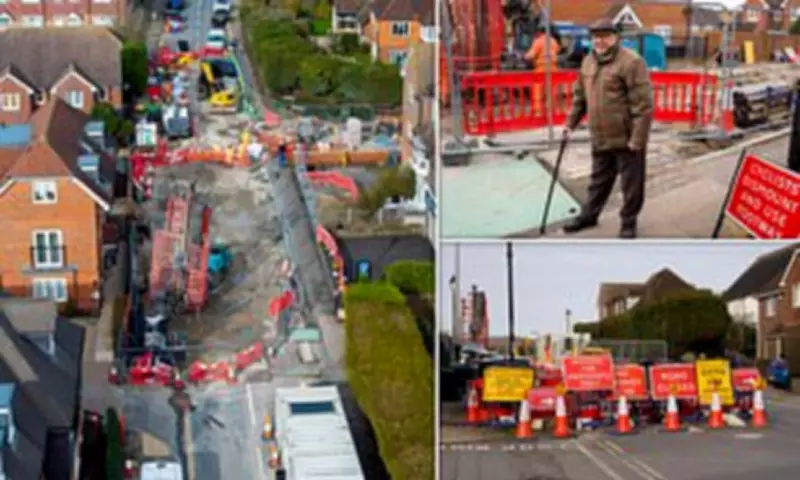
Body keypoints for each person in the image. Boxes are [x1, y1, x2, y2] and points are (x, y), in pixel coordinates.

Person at [562, 19, 654, 239]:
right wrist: (570, 124)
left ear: (616, 37)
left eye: (605, 36)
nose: (600, 41)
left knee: (631, 185)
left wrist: (638, 139)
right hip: (600, 135)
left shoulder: (631, 63)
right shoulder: (588, 62)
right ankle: (589, 216)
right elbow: (580, 98)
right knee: (598, 181)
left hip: (627, 137)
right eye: (596, 37)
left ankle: (628, 222)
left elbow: (643, 105)